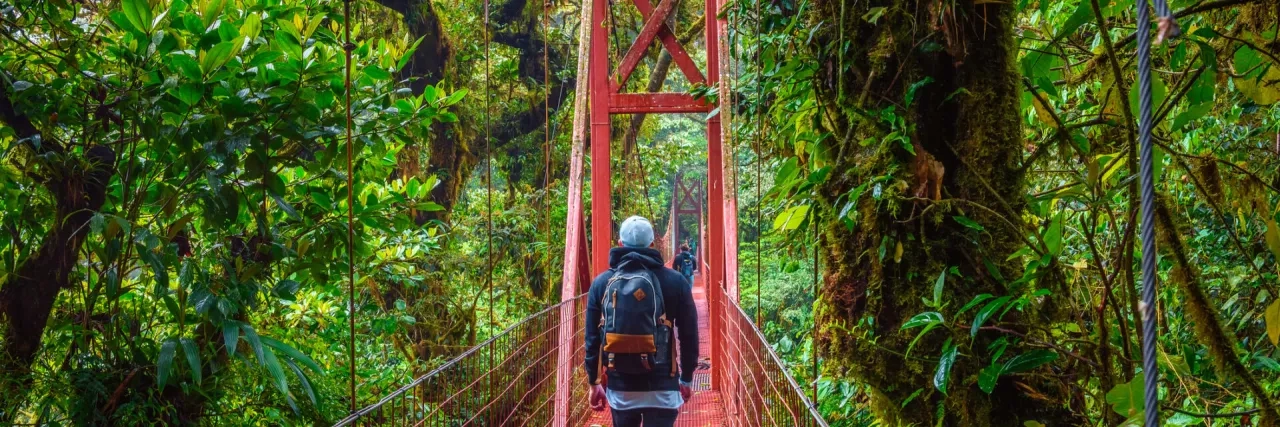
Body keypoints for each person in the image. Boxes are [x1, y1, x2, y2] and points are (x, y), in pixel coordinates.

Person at [584, 216, 698, 427]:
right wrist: (687, 378)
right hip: (663, 386)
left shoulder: (601, 283)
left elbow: (592, 339)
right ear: (653, 244)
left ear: (620, 244)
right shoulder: (677, 282)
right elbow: (689, 335)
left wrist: (594, 383)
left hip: (621, 388)